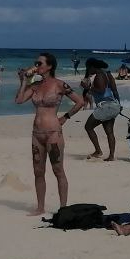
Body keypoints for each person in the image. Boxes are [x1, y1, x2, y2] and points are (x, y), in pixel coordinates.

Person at [15, 53, 87, 216]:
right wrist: (24, 81)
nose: (36, 66)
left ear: (49, 66)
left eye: (39, 63)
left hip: (53, 133)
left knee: (58, 170)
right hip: (37, 134)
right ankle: (40, 207)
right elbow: (19, 100)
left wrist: (65, 117)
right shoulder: (35, 86)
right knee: (38, 171)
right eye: (36, 63)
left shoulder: (59, 85)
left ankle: (63, 208)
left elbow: (80, 102)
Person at [83, 58, 121, 160]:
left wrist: (88, 87)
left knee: (88, 127)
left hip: (105, 107)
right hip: (113, 105)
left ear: (93, 67)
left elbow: (101, 90)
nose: (88, 71)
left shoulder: (99, 75)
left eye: (88, 68)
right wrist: (119, 105)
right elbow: (115, 91)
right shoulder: (108, 75)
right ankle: (111, 156)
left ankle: (98, 151)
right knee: (109, 132)